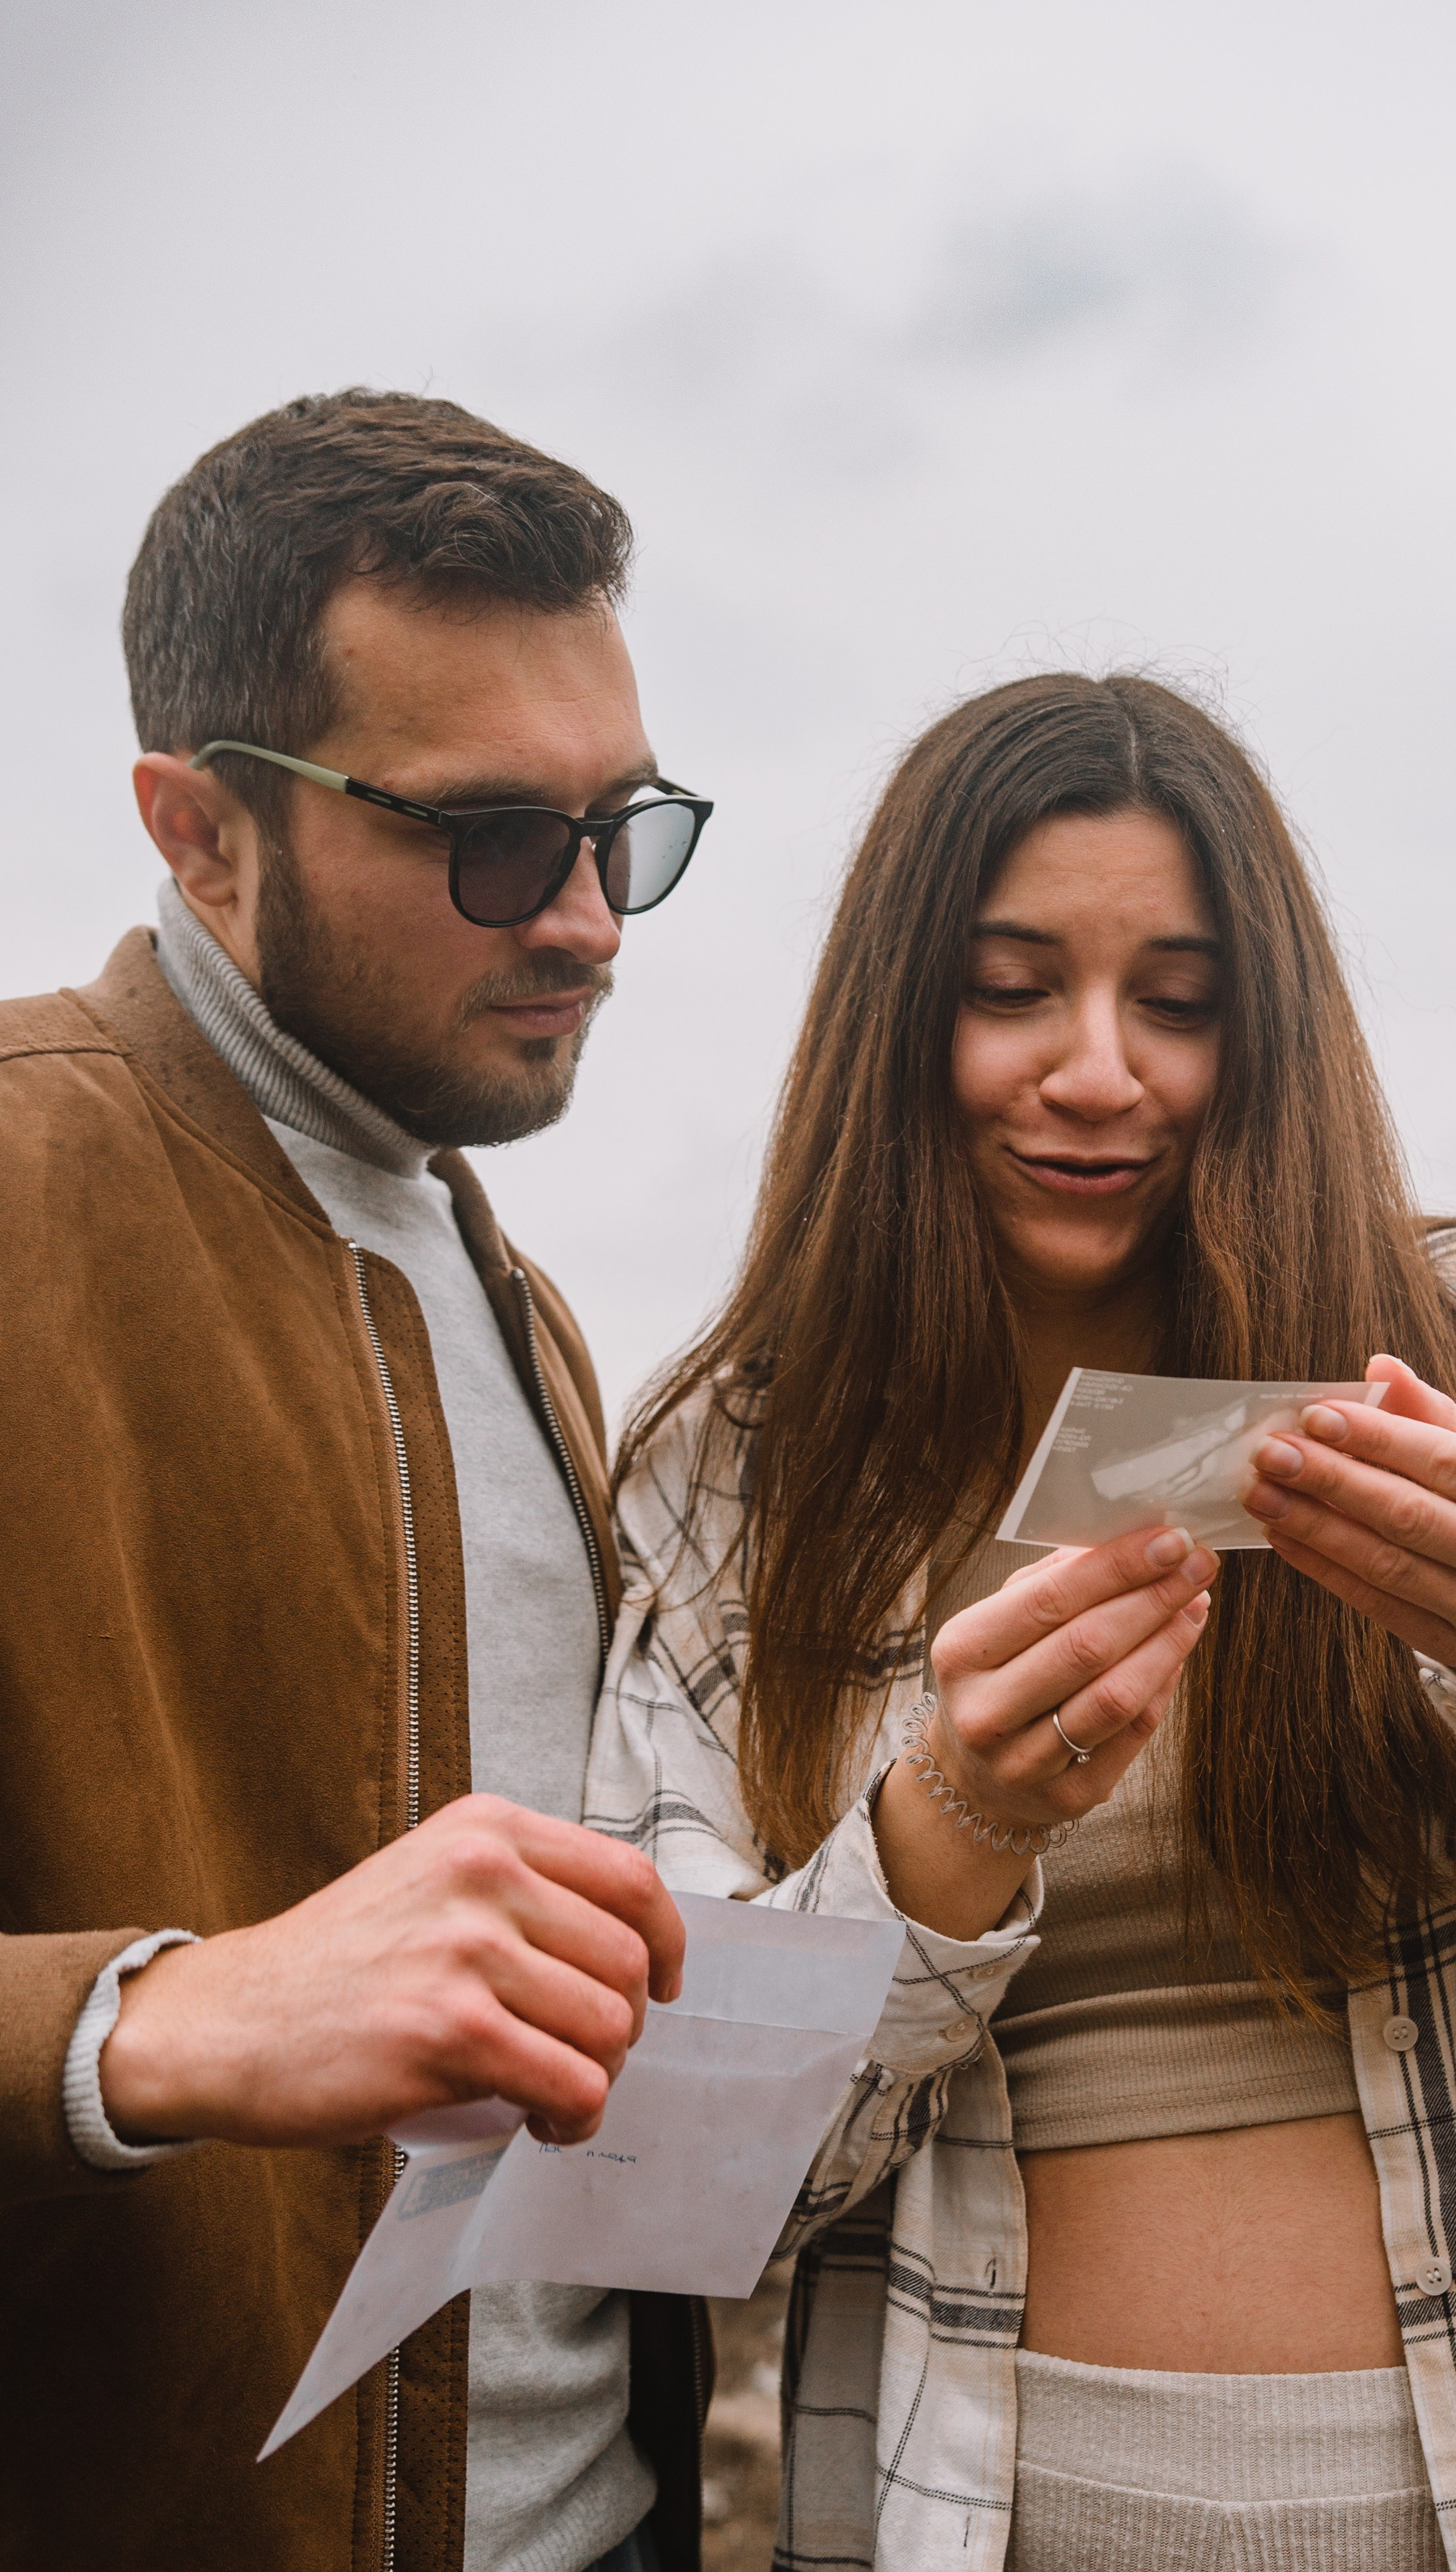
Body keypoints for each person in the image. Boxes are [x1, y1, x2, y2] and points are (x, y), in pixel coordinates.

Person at [587, 671, 1456, 2572]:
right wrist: (944, 1839)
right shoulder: (736, 1480)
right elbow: (662, 2182)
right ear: (893, 1020)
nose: (1098, 1069)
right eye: (1012, 987)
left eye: (1179, 1003)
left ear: (1266, 1034)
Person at [0, 390, 715, 2572]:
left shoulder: (533, 1312)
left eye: (632, 828)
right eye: (496, 840)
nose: (593, 921)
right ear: (200, 828)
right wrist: (145, 2022)